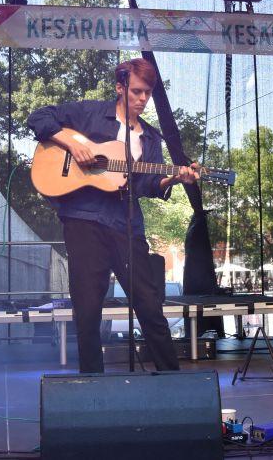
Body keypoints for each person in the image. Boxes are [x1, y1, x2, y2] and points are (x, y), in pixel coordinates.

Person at [28, 57, 198, 373]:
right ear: (120, 87)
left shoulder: (151, 138)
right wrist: (71, 144)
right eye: (136, 91)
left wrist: (175, 177)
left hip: (126, 223)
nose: (142, 99)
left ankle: (173, 381)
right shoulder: (89, 113)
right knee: (88, 307)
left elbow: (149, 183)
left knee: (149, 303)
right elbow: (39, 116)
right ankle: (93, 384)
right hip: (84, 218)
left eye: (147, 93)